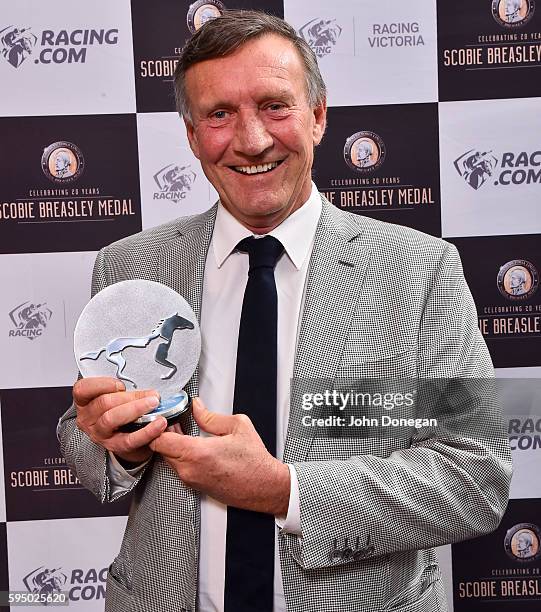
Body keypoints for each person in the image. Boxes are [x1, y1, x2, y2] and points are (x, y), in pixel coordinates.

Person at [58, 10, 512, 612]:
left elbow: (474, 477)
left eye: (275, 105)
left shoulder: (417, 269)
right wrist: (121, 444)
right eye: (219, 114)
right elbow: (83, 440)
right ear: (193, 138)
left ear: (318, 116)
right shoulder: (130, 268)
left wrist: (284, 491)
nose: (251, 140)